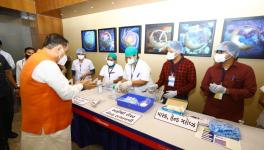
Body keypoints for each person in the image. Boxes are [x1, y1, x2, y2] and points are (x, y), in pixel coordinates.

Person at [20, 33, 96, 150]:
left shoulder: (34, 58)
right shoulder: (47, 64)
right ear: (59, 48)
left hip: (36, 119)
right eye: (64, 52)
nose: (63, 55)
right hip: (49, 125)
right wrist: (81, 85)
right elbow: (66, 93)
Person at [201, 41, 257, 122]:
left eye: (220, 51)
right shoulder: (212, 69)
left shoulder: (246, 70)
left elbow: (250, 92)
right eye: (217, 51)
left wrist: (227, 91)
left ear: (231, 53)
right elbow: (203, 86)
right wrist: (210, 89)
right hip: (210, 111)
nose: (217, 54)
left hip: (231, 114)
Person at [0, 54, 18, 150]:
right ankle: (3, 142)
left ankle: (8, 132)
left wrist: (15, 86)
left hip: (5, 92)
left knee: (9, 114)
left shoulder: (1, 57)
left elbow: (8, 72)